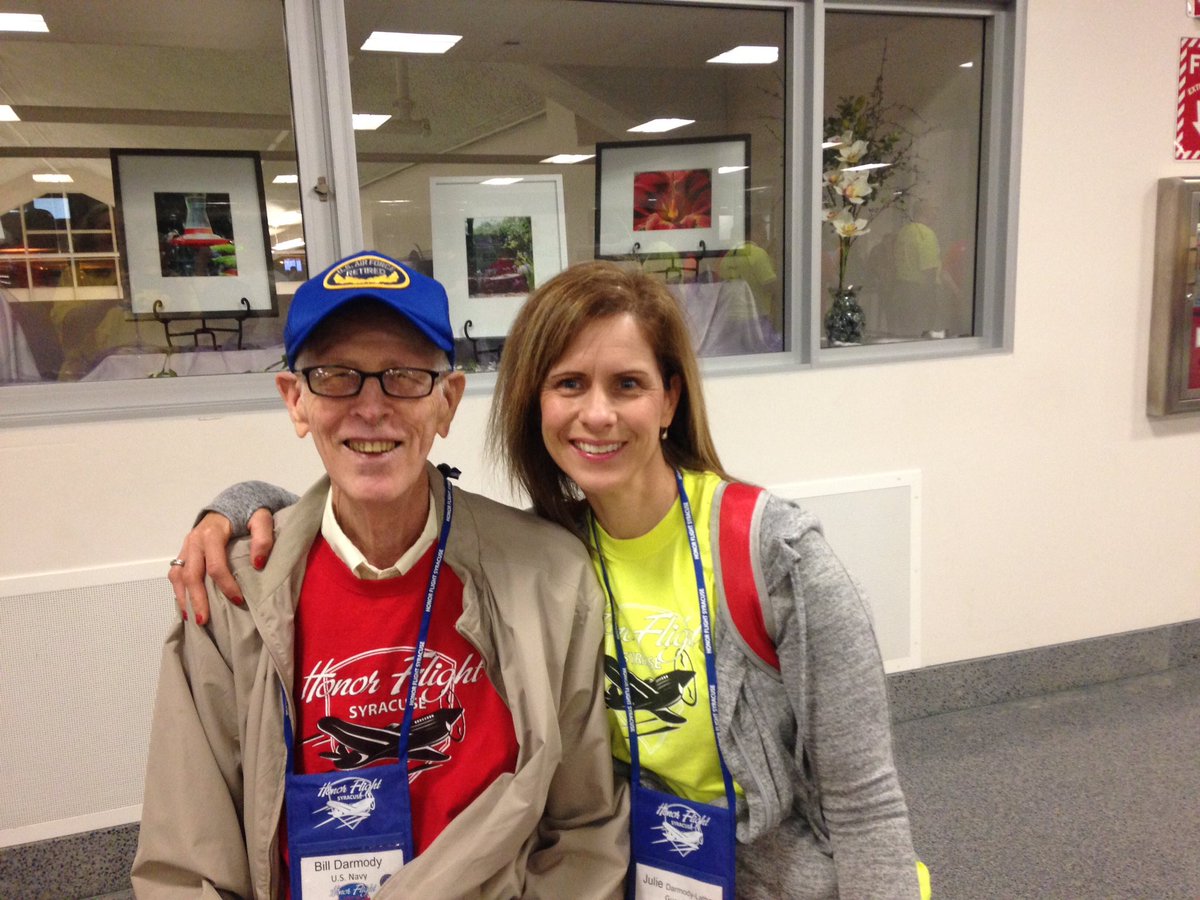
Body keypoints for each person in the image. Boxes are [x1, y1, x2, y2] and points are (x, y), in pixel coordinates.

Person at [173, 261, 927, 899]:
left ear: (669, 399)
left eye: (627, 384)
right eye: (569, 384)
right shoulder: (555, 547)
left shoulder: (770, 555)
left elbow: (864, 802)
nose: (597, 414)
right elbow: (361, 484)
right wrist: (240, 508)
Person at [135, 251, 627, 899]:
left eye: (403, 377)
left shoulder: (551, 581)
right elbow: (185, 865)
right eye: (337, 376)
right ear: (296, 401)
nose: (371, 408)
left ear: (448, 402)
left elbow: (584, 830)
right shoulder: (230, 597)